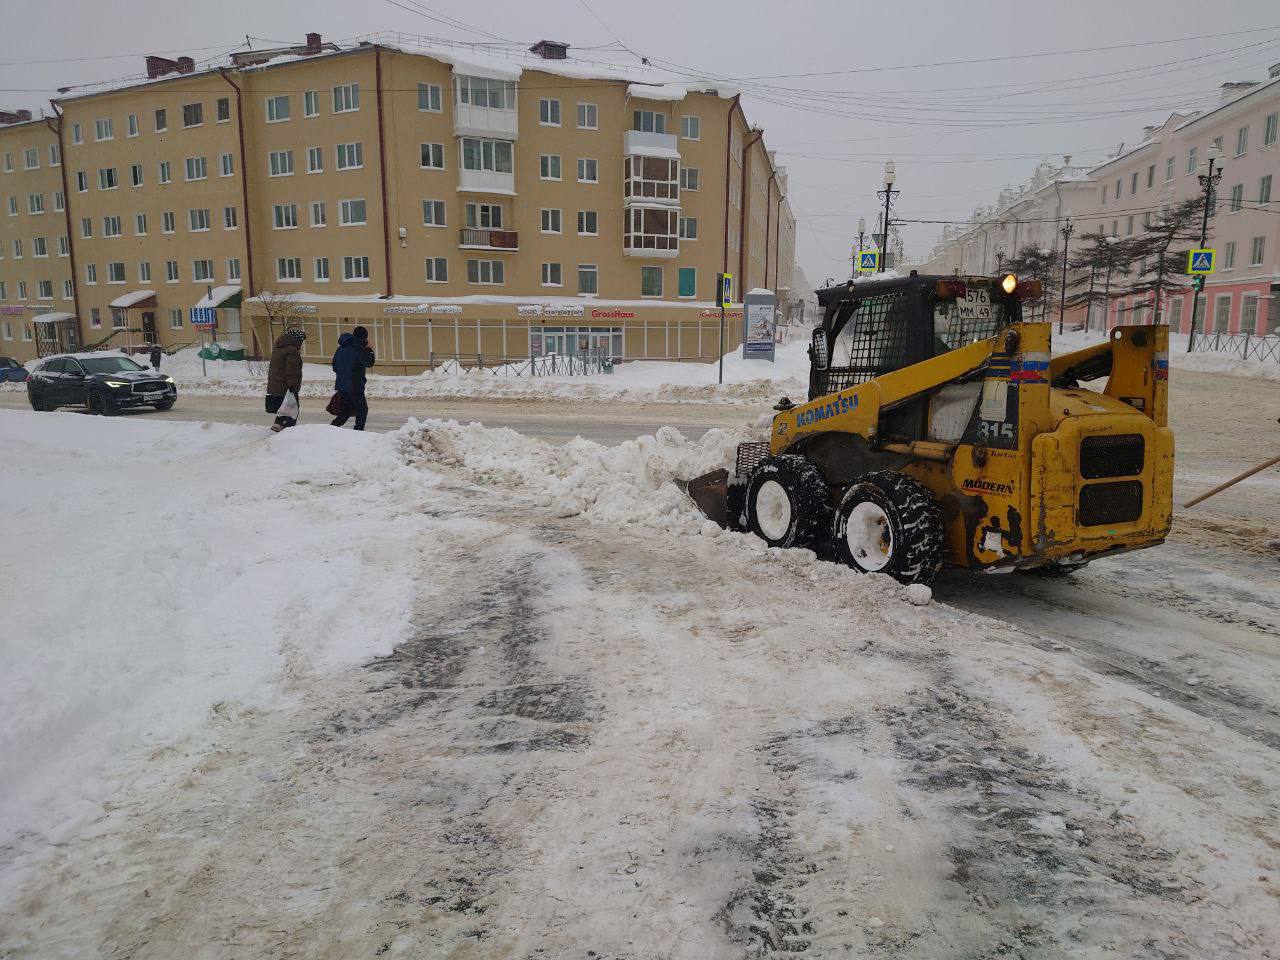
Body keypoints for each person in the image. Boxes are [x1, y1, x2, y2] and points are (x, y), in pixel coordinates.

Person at [330, 325, 374, 431]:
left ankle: (331, 429)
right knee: (362, 410)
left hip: (342, 385)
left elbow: (335, 366)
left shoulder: (341, 348)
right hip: (354, 385)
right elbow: (368, 363)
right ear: (363, 338)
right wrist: (369, 349)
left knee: (346, 411)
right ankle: (358, 432)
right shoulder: (358, 348)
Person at [266, 328, 306, 432]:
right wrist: (293, 385)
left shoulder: (279, 347)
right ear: (297, 340)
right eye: (301, 340)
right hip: (286, 385)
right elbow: (291, 370)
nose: (301, 344)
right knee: (293, 410)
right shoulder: (292, 350)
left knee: (285, 407)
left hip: (277, 383)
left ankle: (278, 424)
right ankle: (289, 431)